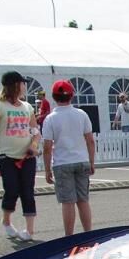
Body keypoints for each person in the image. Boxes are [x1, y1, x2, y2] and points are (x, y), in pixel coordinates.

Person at [0, 70, 39, 241]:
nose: (25, 86)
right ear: (15, 85)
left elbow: (35, 131)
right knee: (12, 189)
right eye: (23, 83)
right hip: (7, 156)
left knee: (28, 191)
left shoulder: (27, 107)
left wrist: (34, 145)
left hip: (27, 157)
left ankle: (29, 230)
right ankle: (7, 221)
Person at [42, 79, 95, 236]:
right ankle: (88, 233)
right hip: (81, 159)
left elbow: (47, 147)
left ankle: (69, 236)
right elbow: (90, 140)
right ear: (72, 96)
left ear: (53, 97)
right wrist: (91, 161)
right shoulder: (81, 114)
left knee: (67, 201)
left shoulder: (50, 119)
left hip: (62, 162)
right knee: (83, 200)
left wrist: (47, 169)